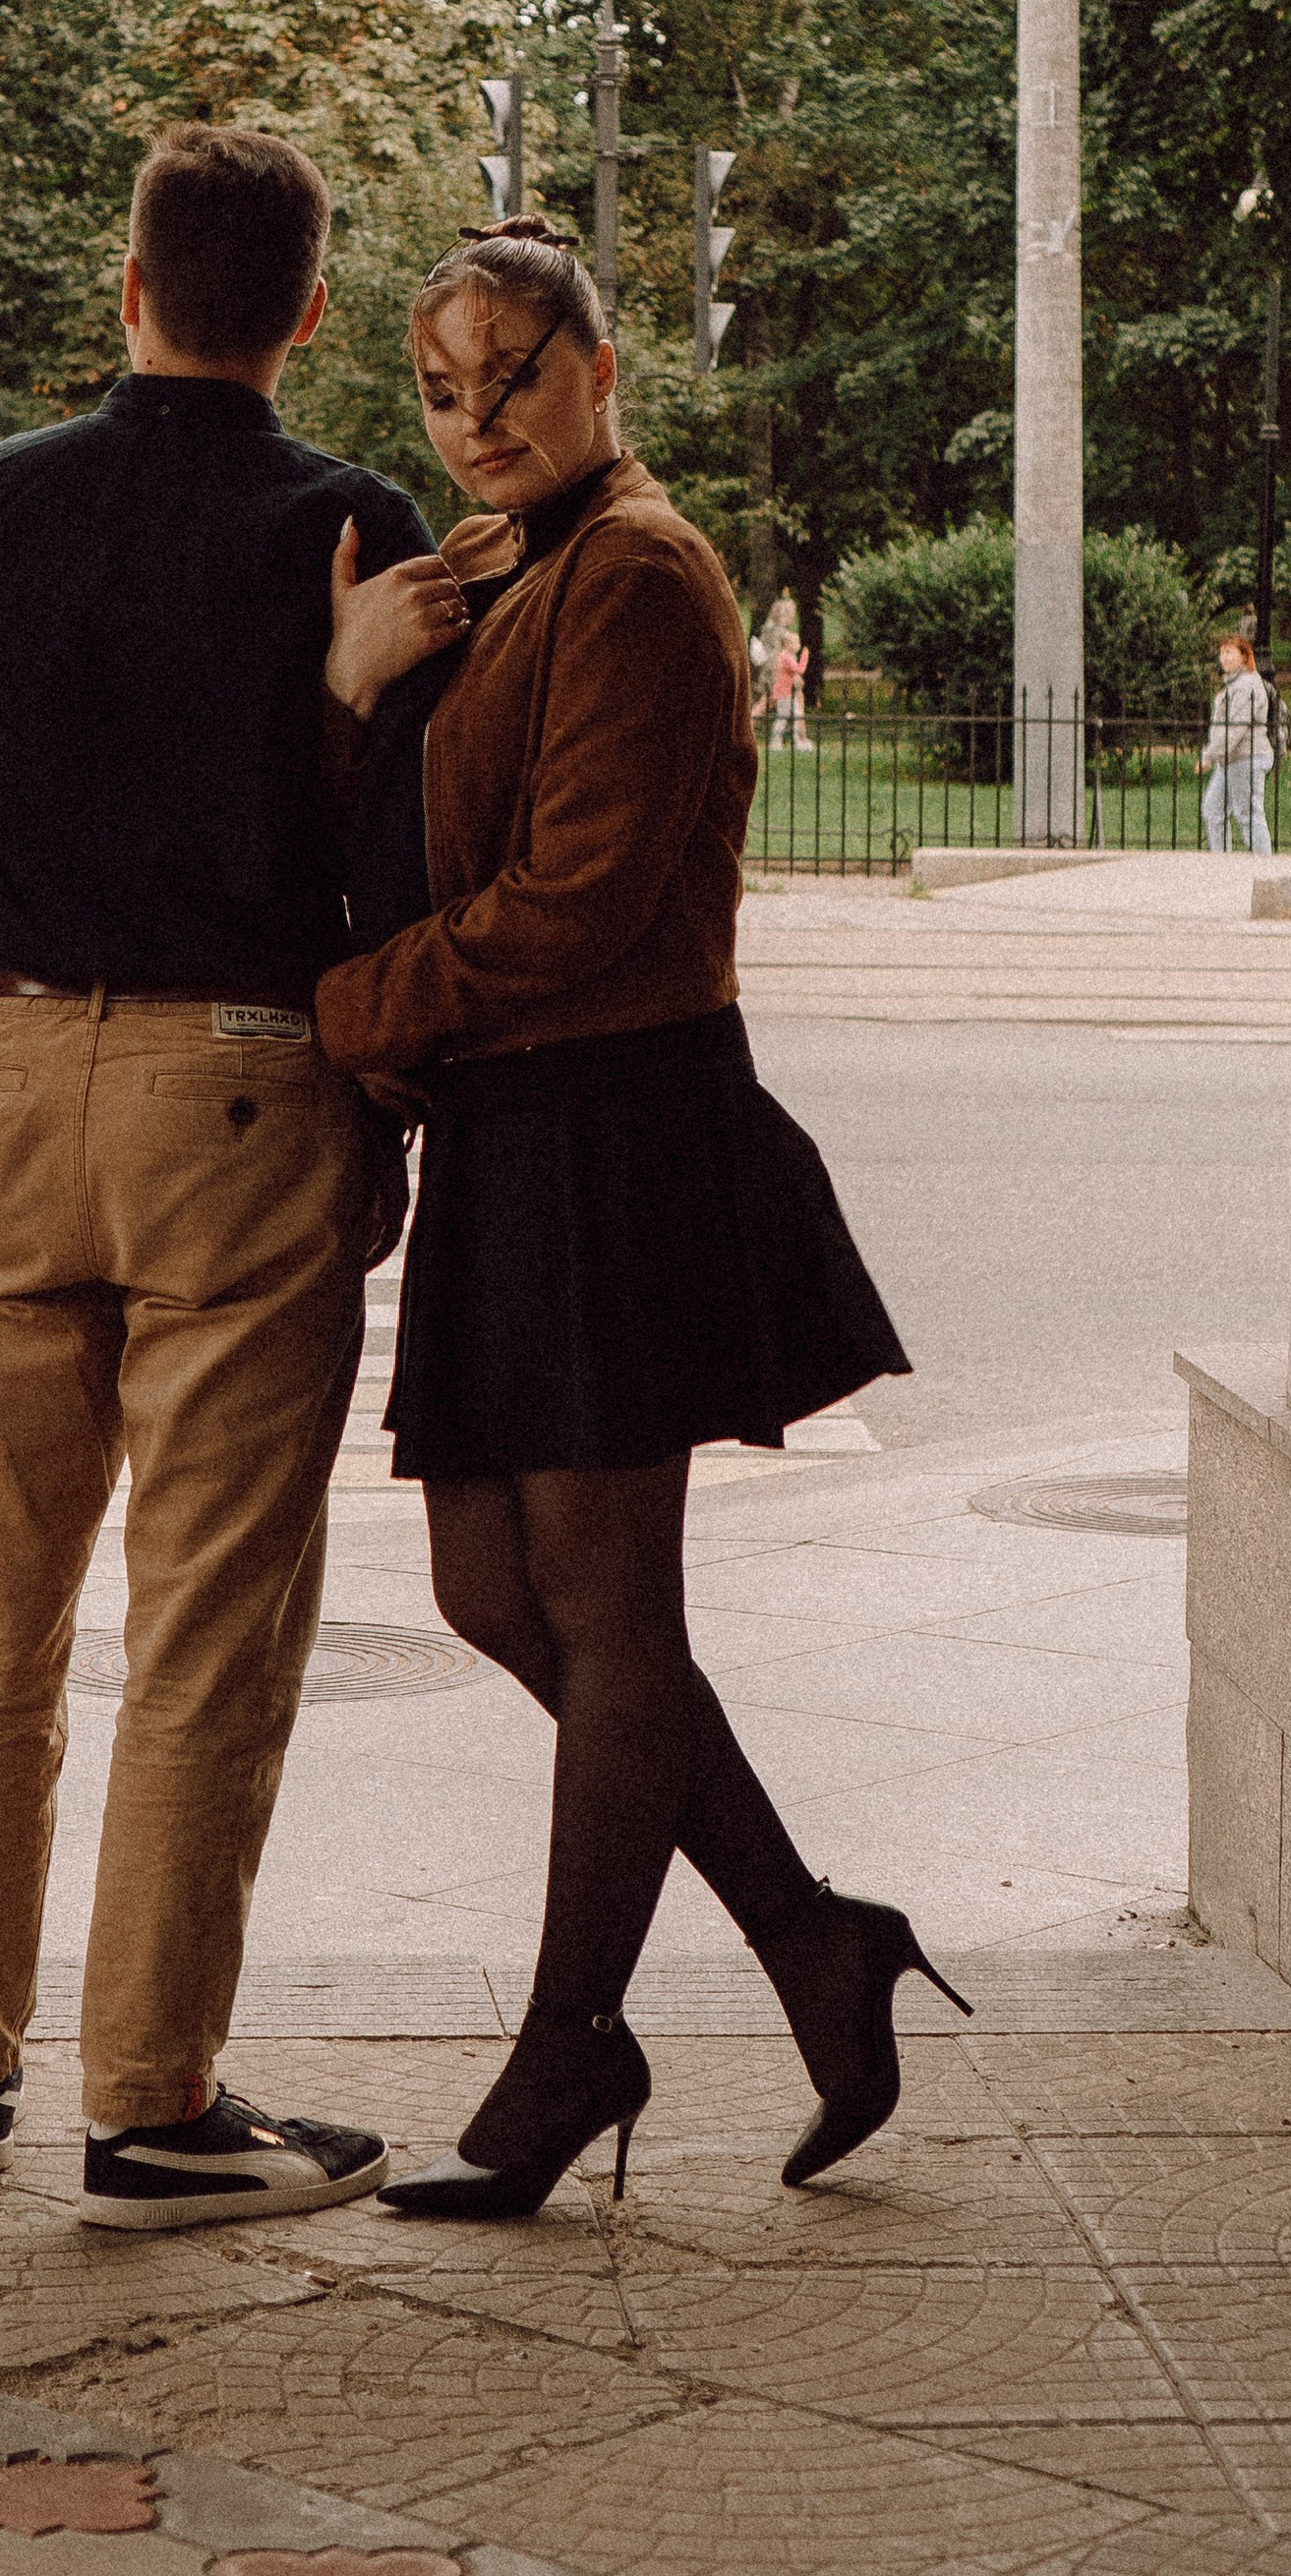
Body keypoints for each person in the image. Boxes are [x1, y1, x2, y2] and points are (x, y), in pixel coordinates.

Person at [0, 123, 463, 2231]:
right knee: (203, 1630)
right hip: (239, 1083)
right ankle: (151, 2104)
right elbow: (399, 855)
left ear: (124, 289)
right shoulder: (345, 528)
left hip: (20, 1065)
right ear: (298, 309)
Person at [315, 216, 948, 2219]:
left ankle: (570, 2043)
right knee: (497, 1602)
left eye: (512, 371)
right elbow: (421, 826)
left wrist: (345, 1015)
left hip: (618, 1124)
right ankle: (808, 1941)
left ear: (600, 367)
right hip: (518, 1129)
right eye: (438, 385)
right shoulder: (501, 572)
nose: (475, 414)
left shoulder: (647, 575)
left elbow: (576, 899)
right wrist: (360, 681)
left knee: (603, 1613)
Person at [1199, 631, 1276, 852]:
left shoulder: (1248, 685)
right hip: (1228, 760)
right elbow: (1223, 731)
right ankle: (1222, 862)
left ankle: (1264, 867)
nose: (1224, 657)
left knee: (1248, 813)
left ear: (1244, 656)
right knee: (1213, 810)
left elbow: (1235, 729)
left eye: (1230, 652)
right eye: (1222, 653)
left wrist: (1208, 756)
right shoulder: (1232, 686)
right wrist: (1212, 754)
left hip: (1247, 757)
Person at [756, 620, 813, 754]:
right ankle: (778, 741)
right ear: (787, 644)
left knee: (793, 715)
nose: (798, 646)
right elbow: (800, 669)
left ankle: (796, 741)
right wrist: (805, 656)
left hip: (786, 692)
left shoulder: (786, 656)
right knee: (785, 717)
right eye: (796, 643)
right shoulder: (785, 657)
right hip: (783, 693)